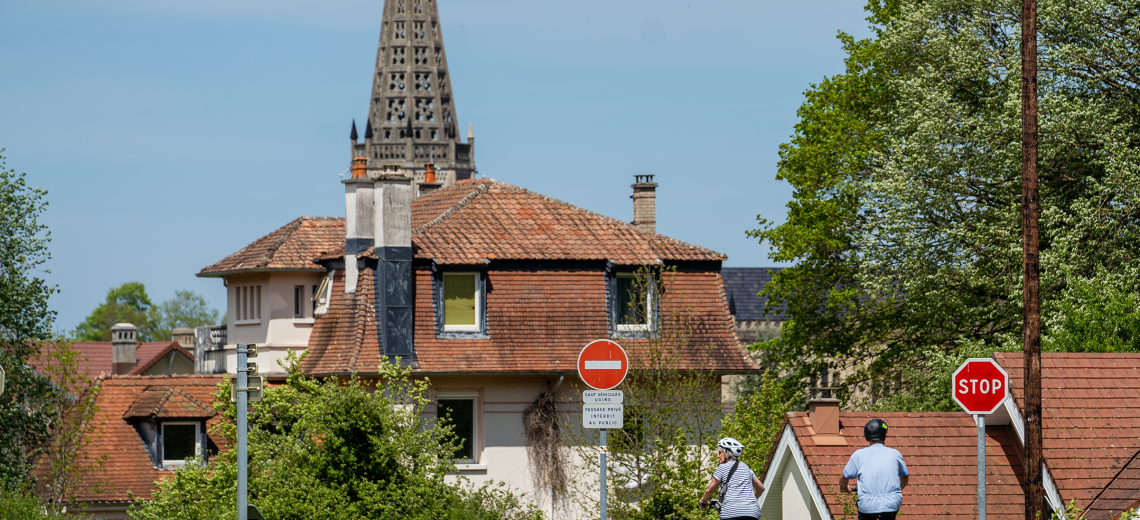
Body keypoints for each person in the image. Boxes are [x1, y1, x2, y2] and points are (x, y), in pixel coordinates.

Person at [839, 419, 909, 520]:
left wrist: (844, 488)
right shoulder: (895, 454)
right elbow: (904, 476)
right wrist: (895, 491)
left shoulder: (859, 455)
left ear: (867, 436)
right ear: (884, 435)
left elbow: (844, 478)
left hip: (867, 505)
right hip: (891, 504)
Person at [699, 437, 764, 520]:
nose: (717, 456)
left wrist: (703, 500)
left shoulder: (722, 468)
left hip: (730, 514)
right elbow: (761, 488)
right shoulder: (747, 469)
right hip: (752, 513)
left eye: (720, 452)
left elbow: (710, 489)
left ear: (727, 453)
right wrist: (748, 502)